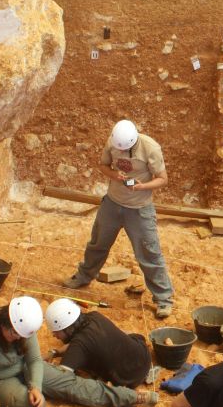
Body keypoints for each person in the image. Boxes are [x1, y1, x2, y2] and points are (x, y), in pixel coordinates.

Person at [0, 296, 152, 407]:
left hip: (22, 366)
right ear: (5, 323)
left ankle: (130, 397)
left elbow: (33, 359)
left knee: (72, 385)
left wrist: (36, 387)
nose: (16, 339)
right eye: (14, 335)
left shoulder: (23, 326)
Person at [66, 119, 176, 319]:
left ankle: (163, 299)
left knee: (149, 254)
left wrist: (141, 186)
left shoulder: (150, 148)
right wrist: (115, 175)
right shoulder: (113, 142)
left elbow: (163, 178)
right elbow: (103, 165)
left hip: (139, 209)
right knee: (97, 243)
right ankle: (83, 276)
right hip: (112, 204)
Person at [45, 297, 152, 387]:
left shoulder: (78, 345)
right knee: (113, 336)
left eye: (56, 332)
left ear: (67, 328)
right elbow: (80, 343)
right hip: (144, 356)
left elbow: (59, 378)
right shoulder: (94, 316)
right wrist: (55, 352)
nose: (54, 335)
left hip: (129, 379)